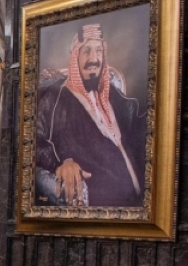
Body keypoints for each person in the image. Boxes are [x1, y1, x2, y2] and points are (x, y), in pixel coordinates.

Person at [34, 23, 146, 208]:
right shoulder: (54, 97)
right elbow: (32, 140)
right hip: (101, 206)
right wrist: (61, 163)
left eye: (98, 51)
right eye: (86, 51)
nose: (94, 59)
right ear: (75, 57)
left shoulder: (115, 96)